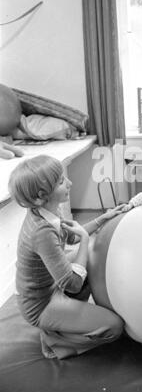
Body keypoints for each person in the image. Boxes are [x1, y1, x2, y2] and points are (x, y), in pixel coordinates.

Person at [8, 154, 124, 360]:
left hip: (52, 286)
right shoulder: (41, 231)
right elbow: (73, 284)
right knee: (114, 327)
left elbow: (70, 236)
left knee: (90, 257)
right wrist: (86, 239)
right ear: (40, 196)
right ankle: (56, 343)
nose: (69, 183)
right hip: (41, 305)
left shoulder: (48, 209)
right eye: (61, 181)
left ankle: (60, 324)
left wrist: (102, 219)